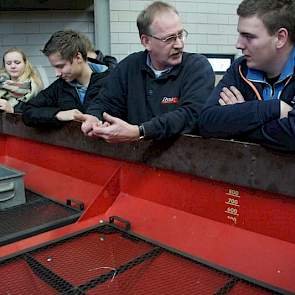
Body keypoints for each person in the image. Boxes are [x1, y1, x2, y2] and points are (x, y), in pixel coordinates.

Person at [75, 1, 214, 143]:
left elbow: (190, 114)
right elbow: (105, 102)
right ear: (146, 41)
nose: (179, 44)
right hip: (135, 160)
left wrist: (141, 131)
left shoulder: (197, 67)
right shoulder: (129, 67)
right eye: (169, 39)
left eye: (180, 35)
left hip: (185, 159)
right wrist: (94, 117)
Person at [199, 0, 295, 151]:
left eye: (248, 36)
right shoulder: (240, 68)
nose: (238, 44)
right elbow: (207, 122)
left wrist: (239, 120)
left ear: (280, 38)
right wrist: (273, 108)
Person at [22, 30, 109, 127]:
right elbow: (28, 111)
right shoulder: (60, 86)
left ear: (78, 57)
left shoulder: (113, 81)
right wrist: (58, 114)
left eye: (61, 66)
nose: (57, 73)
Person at [0, 48, 43, 113]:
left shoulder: (34, 86)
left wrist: (13, 110)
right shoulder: (1, 83)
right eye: (8, 63)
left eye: (17, 63)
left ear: (25, 63)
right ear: (4, 66)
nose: (13, 66)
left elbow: (36, 114)